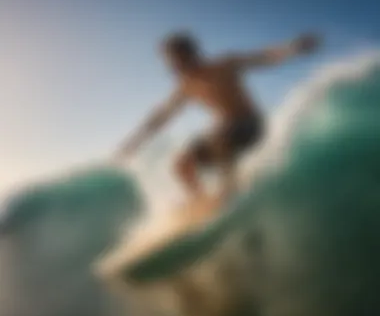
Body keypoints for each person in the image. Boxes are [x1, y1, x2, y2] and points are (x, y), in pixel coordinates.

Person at [116, 32, 321, 203]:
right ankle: (201, 202)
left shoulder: (224, 65)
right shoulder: (186, 87)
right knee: (181, 165)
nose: (172, 64)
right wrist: (135, 142)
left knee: (219, 136)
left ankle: (231, 192)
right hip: (225, 133)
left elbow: (264, 57)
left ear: (190, 54)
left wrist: (294, 47)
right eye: (170, 60)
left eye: (176, 58)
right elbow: (161, 116)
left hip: (250, 126)